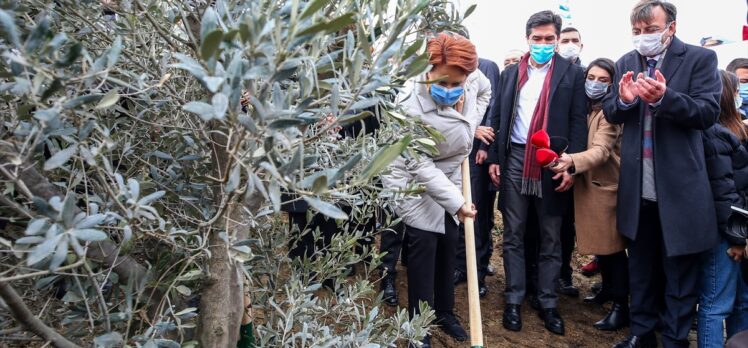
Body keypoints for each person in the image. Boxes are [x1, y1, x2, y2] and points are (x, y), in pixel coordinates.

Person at [602, 1, 722, 347]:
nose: (643, 38)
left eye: (650, 30)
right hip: (638, 185)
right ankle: (641, 333)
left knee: (679, 271)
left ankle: (674, 337)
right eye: (637, 32)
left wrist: (664, 98)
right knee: (640, 265)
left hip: (680, 186)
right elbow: (612, 111)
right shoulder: (627, 61)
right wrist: (624, 101)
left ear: (671, 27)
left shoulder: (700, 59)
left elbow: (707, 112)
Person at [381, 32, 490, 347]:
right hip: (411, 179)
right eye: (441, 83)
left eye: (456, 84)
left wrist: (470, 122)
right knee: (424, 248)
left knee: (450, 243)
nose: (450, 90)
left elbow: (484, 90)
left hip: (448, 171)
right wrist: (458, 203)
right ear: (426, 70)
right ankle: (419, 325)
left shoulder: (469, 79)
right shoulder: (408, 107)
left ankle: (445, 311)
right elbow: (419, 166)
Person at [486, 10, 587, 336]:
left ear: (557, 39)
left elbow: (577, 121)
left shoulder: (571, 74)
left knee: (550, 236)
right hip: (515, 158)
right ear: (527, 38)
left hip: (552, 162)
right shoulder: (512, 73)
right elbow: (501, 116)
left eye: (549, 39)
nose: (543, 44)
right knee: (513, 234)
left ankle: (547, 302)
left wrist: (571, 163)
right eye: (537, 39)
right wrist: (496, 158)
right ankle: (514, 298)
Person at [549, 58, 629, 331]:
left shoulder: (610, 112)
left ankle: (621, 305)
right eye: (591, 77)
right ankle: (607, 290)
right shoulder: (585, 107)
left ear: (613, 83)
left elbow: (601, 150)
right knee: (602, 250)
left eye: (603, 80)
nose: (595, 83)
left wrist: (570, 160)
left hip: (604, 186)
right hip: (588, 185)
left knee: (613, 250)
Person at [697, 70, 748, 348]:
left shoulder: (732, 132)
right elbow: (724, 194)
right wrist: (738, 239)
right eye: (738, 89)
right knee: (716, 303)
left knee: (741, 302)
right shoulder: (716, 137)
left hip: (735, 229)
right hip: (725, 235)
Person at [454, 57, 501, 298]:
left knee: (477, 213)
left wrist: (484, 145)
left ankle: (479, 272)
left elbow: (492, 107)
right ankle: (461, 266)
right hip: (455, 149)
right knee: (458, 210)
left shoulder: (486, 67)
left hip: (476, 156)